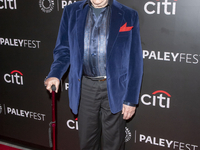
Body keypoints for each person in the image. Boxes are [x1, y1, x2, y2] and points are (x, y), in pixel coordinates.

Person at [44, 0, 143, 149]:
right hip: (85, 88)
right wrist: (55, 73)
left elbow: (135, 60)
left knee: (114, 145)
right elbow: (64, 50)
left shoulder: (129, 14)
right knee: (87, 143)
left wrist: (131, 99)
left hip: (116, 89)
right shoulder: (71, 11)